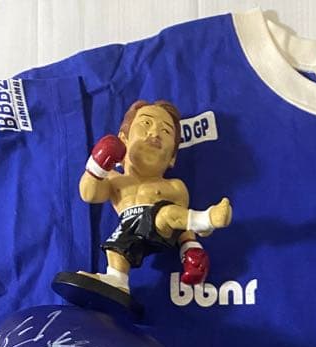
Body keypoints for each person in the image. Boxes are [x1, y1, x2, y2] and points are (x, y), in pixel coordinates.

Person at [77, 99, 232, 294]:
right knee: (115, 248)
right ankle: (117, 281)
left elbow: (181, 225)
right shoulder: (113, 179)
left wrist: (191, 250)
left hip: (159, 229)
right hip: (129, 228)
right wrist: (98, 163)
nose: (155, 133)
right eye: (146, 123)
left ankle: (205, 220)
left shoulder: (173, 186)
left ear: (172, 158)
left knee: (167, 214)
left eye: (166, 131)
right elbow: (89, 194)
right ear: (123, 139)